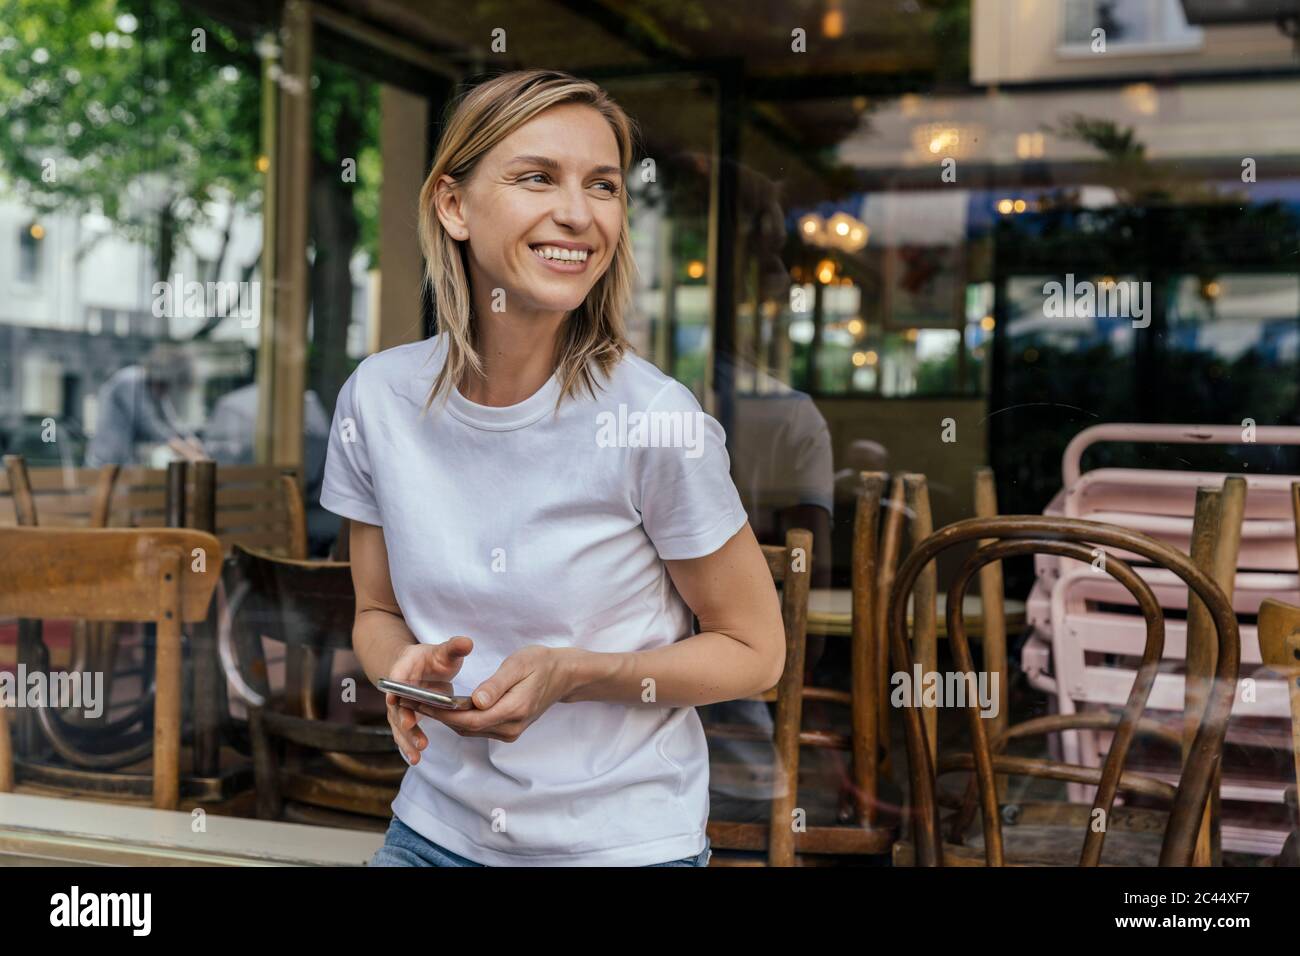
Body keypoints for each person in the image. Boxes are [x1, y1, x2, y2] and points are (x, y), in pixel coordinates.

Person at [321, 70, 786, 867]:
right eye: (537, 177)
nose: (578, 212)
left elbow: (755, 651)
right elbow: (374, 612)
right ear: (453, 204)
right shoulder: (379, 399)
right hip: (433, 832)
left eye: (601, 185)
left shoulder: (655, 419)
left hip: (624, 848)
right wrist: (401, 669)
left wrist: (573, 673)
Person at [85, 343, 204, 467]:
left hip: (127, 463)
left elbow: (171, 420)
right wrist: (184, 450)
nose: (165, 392)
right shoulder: (129, 381)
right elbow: (147, 423)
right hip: (104, 462)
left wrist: (190, 438)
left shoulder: (155, 386)